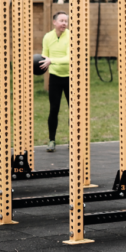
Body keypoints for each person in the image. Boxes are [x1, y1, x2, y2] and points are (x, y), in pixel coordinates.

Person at [40, 12, 70, 153]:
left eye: (66, 21)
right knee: (53, 109)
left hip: (70, 78)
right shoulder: (47, 37)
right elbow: (44, 55)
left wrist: (51, 60)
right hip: (55, 78)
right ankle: (51, 140)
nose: (64, 23)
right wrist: (41, 63)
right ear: (54, 22)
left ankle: (74, 140)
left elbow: (70, 58)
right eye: (61, 20)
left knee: (74, 110)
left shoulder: (71, 36)